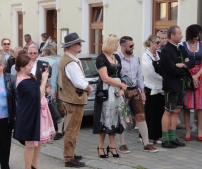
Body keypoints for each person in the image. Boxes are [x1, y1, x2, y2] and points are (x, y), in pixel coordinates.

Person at [13, 53, 55, 169]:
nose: (32, 66)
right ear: (21, 67)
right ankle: (28, 167)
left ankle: (34, 164)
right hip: (29, 115)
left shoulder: (29, 76)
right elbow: (38, 95)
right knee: (31, 143)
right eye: (29, 65)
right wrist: (44, 80)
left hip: (38, 113)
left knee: (38, 141)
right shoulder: (21, 82)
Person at [58, 32, 93, 167]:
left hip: (71, 98)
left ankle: (71, 153)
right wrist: (89, 88)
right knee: (72, 129)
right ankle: (68, 158)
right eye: (79, 43)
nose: (81, 45)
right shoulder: (70, 62)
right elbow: (78, 82)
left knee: (72, 128)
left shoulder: (68, 59)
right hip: (73, 99)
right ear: (73, 46)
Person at [118, 36, 158, 153]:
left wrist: (142, 90)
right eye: (131, 46)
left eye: (133, 45)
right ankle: (122, 144)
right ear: (123, 46)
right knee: (123, 118)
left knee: (141, 116)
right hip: (123, 90)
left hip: (135, 90)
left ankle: (146, 144)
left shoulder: (136, 58)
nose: (133, 47)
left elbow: (139, 75)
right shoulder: (117, 59)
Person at [160, 25, 195, 148]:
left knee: (176, 111)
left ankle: (173, 137)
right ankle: (165, 139)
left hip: (181, 84)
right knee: (168, 111)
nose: (181, 36)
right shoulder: (165, 50)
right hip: (171, 85)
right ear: (172, 35)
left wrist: (183, 65)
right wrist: (183, 67)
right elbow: (172, 69)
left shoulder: (180, 48)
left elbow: (191, 62)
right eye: (179, 34)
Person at [93, 34, 127, 158]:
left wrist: (123, 86)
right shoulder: (101, 58)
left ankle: (112, 146)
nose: (117, 45)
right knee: (105, 118)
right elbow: (105, 78)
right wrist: (120, 85)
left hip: (117, 89)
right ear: (109, 44)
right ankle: (101, 146)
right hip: (106, 91)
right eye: (116, 43)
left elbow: (122, 72)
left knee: (115, 118)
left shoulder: (117, 56)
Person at [182, 24, 202, 141]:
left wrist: (197, 76)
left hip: (200, 75)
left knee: (201, 104)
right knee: (187, 105)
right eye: (195, 36)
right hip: (187, 75)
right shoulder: (182, 45)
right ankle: (188, 130)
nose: (197, 38)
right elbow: (181, 61)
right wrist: (191, 75)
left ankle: (200, 130)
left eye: (198, 35)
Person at [142, 35, 164, 144]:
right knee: (150, 112)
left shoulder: (159, 54)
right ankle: (146, 136)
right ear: (151, 43)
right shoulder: (146, 56)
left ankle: (156, 136)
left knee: (159, 112)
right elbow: (150, 73)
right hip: (151, 87)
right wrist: (163, 80)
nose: (159, 44)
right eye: (157, 42)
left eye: (159, 42)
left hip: (161, 88)